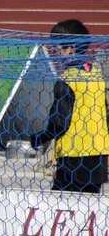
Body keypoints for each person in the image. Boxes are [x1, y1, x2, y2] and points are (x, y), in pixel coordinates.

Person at [28, 19, 109, 194]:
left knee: (60, 205)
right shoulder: (97, 75)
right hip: (99, 156)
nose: (54, 52)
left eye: (56, 48)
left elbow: (59, 123)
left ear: (71, 48)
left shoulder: (67, 80)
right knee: (87, 210)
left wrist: (39, 138)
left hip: (73, 157)